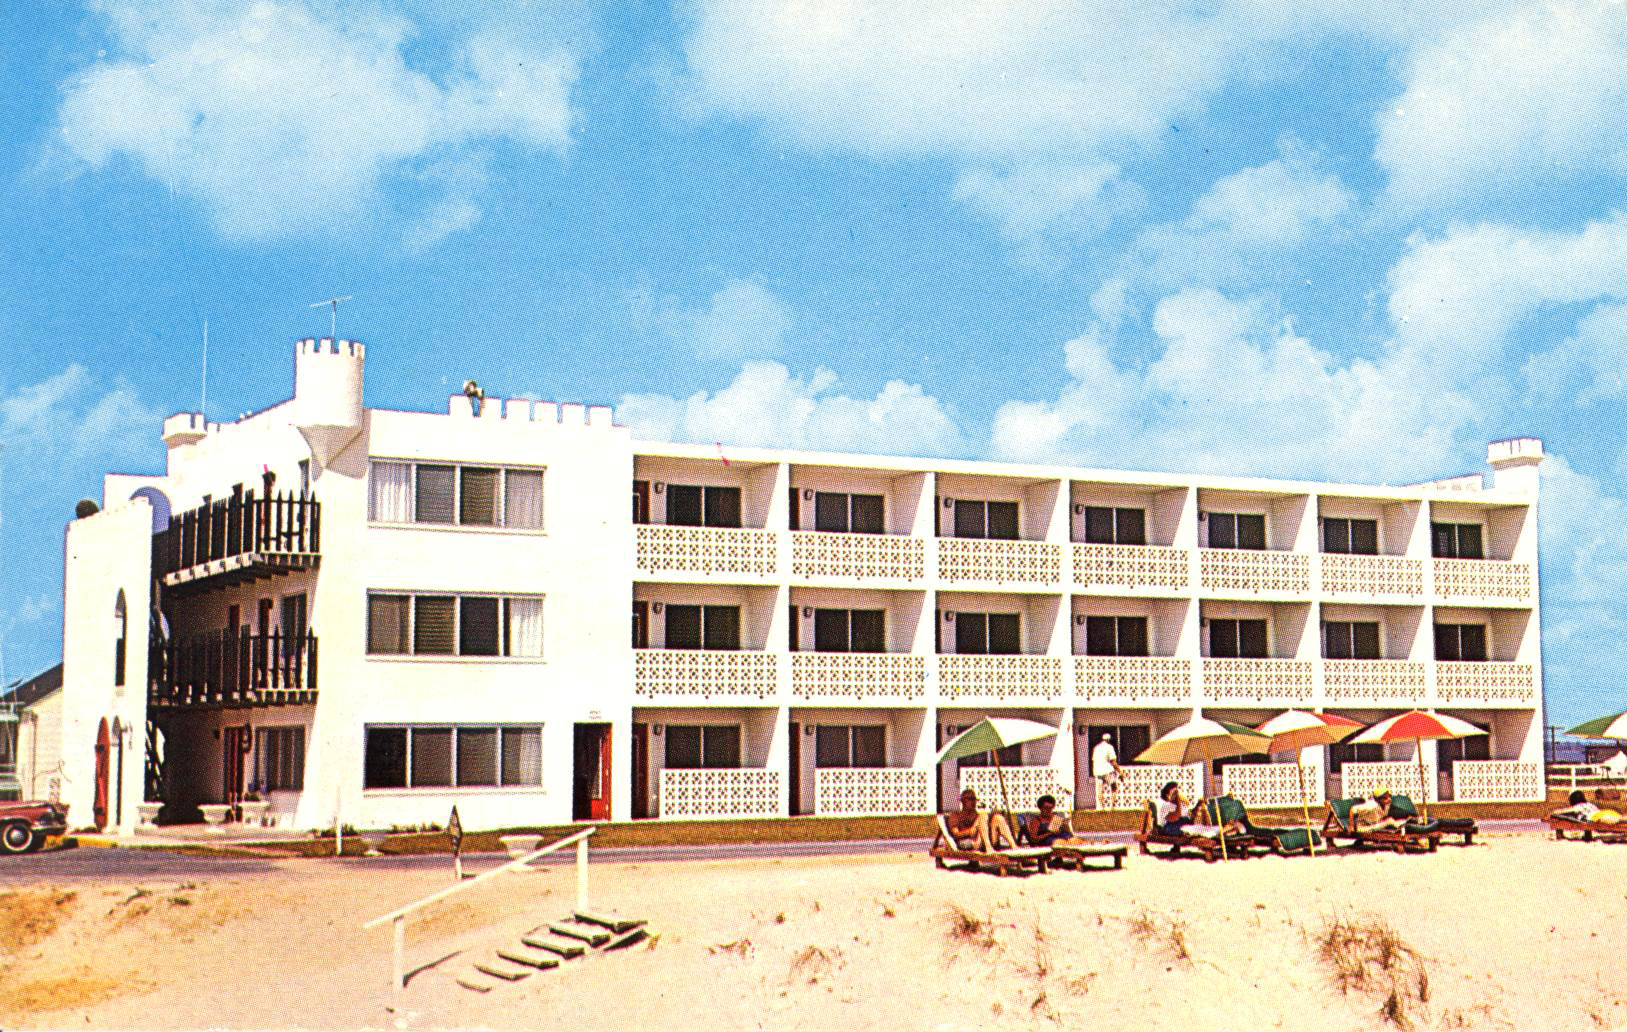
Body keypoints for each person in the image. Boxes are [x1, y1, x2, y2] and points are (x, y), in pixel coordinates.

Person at [940, 789, 1017, 851]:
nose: (973, 802)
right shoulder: (955, 815)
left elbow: (985, 827)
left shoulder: (977, 815)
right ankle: (988, 848)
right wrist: (969, 831)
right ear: (963, 801)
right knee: (983, 816)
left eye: (974, 799)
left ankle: (1014, 846)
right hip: (969, 842)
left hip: (982, 841)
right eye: (970, 799)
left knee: (998, 817)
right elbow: (956, 834)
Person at [1551, 790, 1625, 824]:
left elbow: (1562, 811)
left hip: (1597, 817)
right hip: (1606, 812)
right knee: (1620, 819)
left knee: (1617, 820)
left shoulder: (1577, 807)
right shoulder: (1590, 804)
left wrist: (1553, 813)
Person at [1091, 732, 1123, 809]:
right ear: (1109, 740)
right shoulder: (1109, 747)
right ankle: (1113, 806)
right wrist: (1120, 772)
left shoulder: (1096, 748)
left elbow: (1093, 760)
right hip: (1107, 770)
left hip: (1098, 771)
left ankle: (1102, 807)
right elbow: (1113, 761)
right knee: (1113, 787)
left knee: (1100, 790)